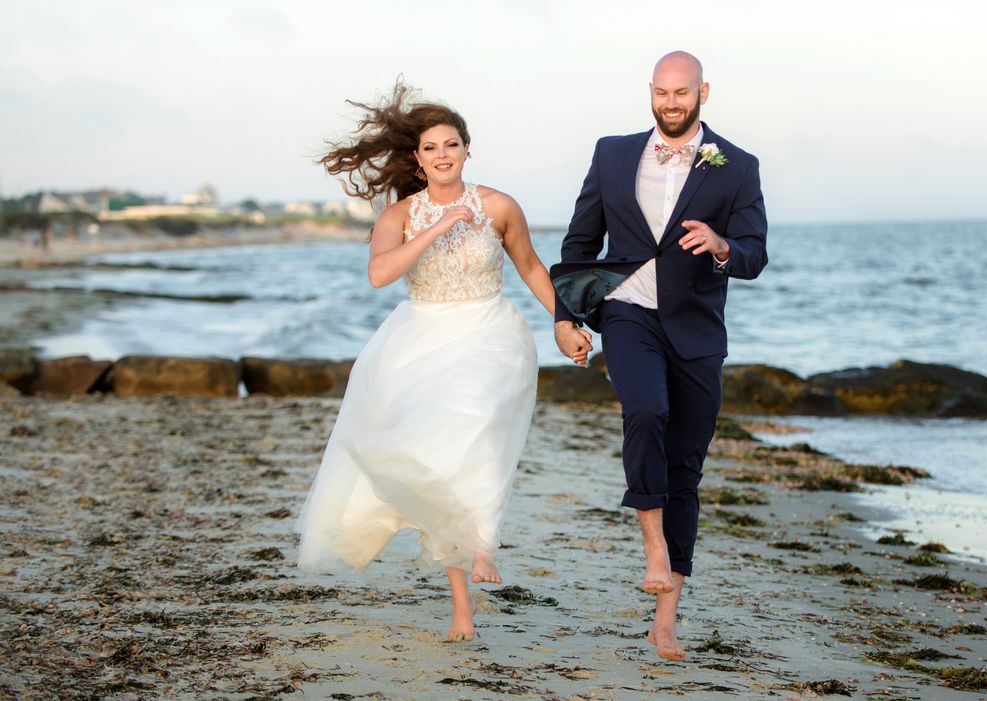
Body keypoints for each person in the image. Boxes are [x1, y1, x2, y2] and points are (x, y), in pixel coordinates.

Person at [296, 82, 591, 642]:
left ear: (467, 149)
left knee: (475, 426)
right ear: (417, 157)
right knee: (438, 458)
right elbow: (380, 274)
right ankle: (461, 604)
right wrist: (436, 226)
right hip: (420, 338)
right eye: (431, 148)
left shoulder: (499, 206)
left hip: (490, 331)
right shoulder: (399, 215)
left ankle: (482, 543)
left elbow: (531, 267)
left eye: (451, 145)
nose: (442, 155)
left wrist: (563, 321)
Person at [550, 51, 767, 660]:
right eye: (662, 93)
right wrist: (565, 318)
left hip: (697, 329)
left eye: (682, 93)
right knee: (645, 409)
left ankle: (665, 616)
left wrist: (721, 244)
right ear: (651, 91)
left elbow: (754, 253)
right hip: (627, 311)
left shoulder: (737, 165)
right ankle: (652, 544)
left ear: (703, 93)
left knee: (685, 469)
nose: (671, 104)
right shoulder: (612, 154)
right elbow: (579, 243)